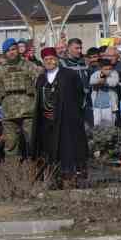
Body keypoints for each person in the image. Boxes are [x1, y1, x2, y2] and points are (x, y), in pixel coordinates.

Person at [31, 46, 89, 182]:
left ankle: (70, 175)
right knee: (49, 149)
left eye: (52, 58)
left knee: (67, 148)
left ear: (57, 59)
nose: (49, 61)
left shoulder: (69, 75)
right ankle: (53, 177)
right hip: (47, 120)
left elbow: (80, 95)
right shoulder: (41, 78)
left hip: (66, 120)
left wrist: (74, 113)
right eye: (46, 59)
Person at [0, 38, 39, 160]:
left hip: (29, 111)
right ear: (4, 53)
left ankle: (36, 169)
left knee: (33, 142)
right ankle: (13, 171)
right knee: (10, 145)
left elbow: (39, 85)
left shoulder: (29, 66)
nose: (11, 52)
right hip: (9, 112)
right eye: (8, 50)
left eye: (13, 49)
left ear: (18, 50)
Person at [88, 54, 121, 129]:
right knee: (97, 127)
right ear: (100, 68)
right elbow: (92, 81)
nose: (108, 71)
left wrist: (103, 80)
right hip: (97, 106)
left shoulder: (114, 73)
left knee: (110, 127)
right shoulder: (96, 74)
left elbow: (113, 83)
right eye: (106, 69)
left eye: (110, 69)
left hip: (110, 106)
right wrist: (102, 76)